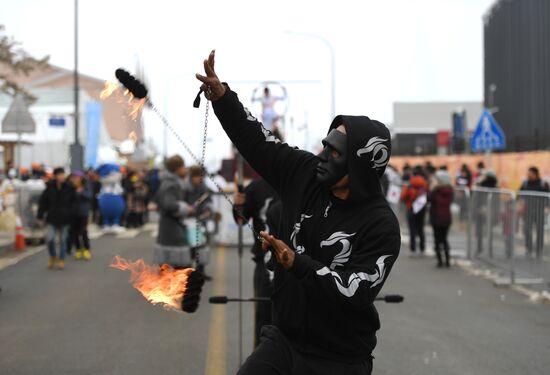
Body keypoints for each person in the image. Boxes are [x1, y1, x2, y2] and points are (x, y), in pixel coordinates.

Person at [197, 50, 400, 374]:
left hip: (339, 357)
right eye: (325, 145)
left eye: (334, 153)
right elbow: (259, 143)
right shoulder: (305, 173)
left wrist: (296, 263)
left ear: (359, 165)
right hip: (283, 341)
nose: (322, 155)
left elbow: (355, 291)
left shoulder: (381, 225)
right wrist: (223, 98)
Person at [233, 177, 279, 348]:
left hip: (297, 264)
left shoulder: (299, 181)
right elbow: (240, 219)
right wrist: (238, 205)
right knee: (264, 317)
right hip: (265, 263)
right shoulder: (257, 187)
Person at [153, 155, 194, 268]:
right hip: (172, 229)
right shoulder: (171, 184)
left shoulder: (169, 182)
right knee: (179, 267)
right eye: (183, 166)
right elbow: (168, 204)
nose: (185, 169)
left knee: (169, 268)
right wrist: (185, 208)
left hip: (169, 228)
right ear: (177, 168)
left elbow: (158, 202)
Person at [37, 167, 76, 270]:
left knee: (63, 240)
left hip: (66, 218)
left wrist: (72, 215)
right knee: (50, 239)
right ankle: (53, 256)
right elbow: (43, 202)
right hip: (52, 218)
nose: (61, 176)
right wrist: (40, 215)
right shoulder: (49, 187)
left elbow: (74, 202)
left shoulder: (69, 187)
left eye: (63, 174)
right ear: (55, 176)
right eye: (59, 174)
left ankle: (61, 259)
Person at [183, 166, 213, 278]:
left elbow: (208, 202)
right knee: (189, 248)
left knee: (202, 247)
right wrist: (186, 210)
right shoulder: (184, 188)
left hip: (201, 220)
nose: (199, 179)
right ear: (192, 177)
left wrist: (208, 210)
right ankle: (188, 272)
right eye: (197, 176)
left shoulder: (203, 187)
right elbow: (181, 203)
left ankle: (201, 271)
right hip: (188, 221)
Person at [519, 166, 549, 257]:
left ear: (535, 174)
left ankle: (539, 250)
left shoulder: (543, 184)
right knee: (527, 230)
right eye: (528, 173)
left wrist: (547, 207)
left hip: (539, 211)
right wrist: (520, 203)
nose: (528, 175)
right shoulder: (525, 183)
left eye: (530, 173)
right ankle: (529, 248)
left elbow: (548, 196)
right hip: (528, 211)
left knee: (539, 231)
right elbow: (520, 194)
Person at [400, 166, 429, 256]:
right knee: (420, 228)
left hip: (411, 207)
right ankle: (422, 248)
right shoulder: (425, 183)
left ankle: (413, 249)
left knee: (412, 229)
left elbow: (403, 197)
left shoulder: (410, 183)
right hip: (422, 208)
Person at [428, 170, 454, 267]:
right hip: (446, 218)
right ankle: (447, 261)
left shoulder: (436, 191)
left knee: (437, 240)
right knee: (444, 239)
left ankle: (440, 261)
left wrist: (432, 188)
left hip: (437, 218)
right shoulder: (450, 190)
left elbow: (429, 198)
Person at [69, 170, 92, 260]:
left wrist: (81, 192)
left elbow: (89, 196)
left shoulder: (86, 186)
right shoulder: (70, 187)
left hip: (83, 212)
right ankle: (78, 249)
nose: (75, 179)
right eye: (74, 177)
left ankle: (86, 249)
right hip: (73, 212)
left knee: (83, 231)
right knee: (74, 232)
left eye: (77, 177)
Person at [475, 170, 498, 254]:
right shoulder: (485, 186)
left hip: (485, 211)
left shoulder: (483, 186)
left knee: (483, 231)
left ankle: (481, 248)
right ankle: (488, 249)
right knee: (485, 231)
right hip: (484, 211)